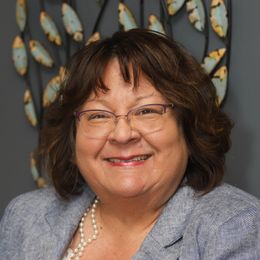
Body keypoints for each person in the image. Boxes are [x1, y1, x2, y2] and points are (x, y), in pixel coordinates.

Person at [0, 29, 260, 260]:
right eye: (99, 115)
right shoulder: (25, 217)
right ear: (73, 135)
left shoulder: (232, 227)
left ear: (188, 127)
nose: (122, 134)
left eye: (147, 111)